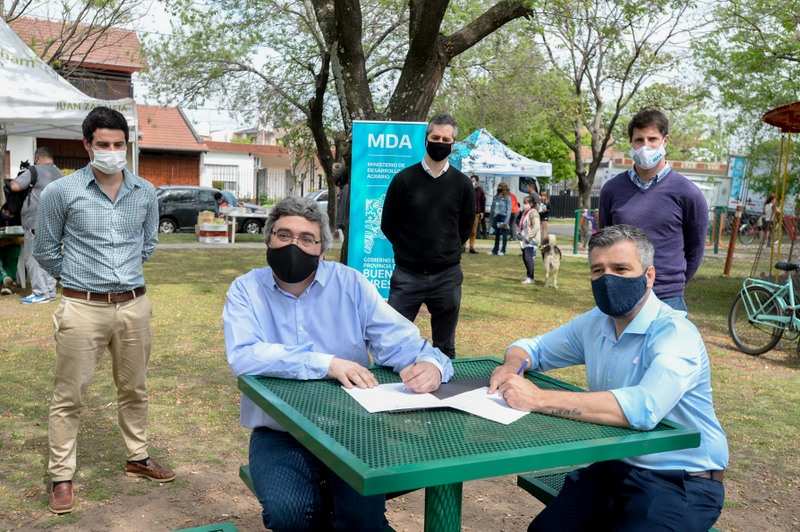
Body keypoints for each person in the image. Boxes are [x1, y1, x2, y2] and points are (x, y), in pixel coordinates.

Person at [224, 196, 454, 530]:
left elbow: (402, 343)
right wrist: (326, 363)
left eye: (307, 239)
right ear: (268, 239)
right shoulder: (246, 290)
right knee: (290, 515)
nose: (294, 245)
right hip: (280, 432)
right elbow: (244, 355)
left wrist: (430, 364)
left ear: (322, 249)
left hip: (350, 428)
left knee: (363, 520)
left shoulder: (351, 284)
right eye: (283, 235)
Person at [490, 224, 727, 532]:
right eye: (598, 271)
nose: (607, 279)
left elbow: (644, 408)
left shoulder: (674, 333)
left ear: (649, 276)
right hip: (617, 465)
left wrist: (537, 399)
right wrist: (512, 365)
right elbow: (531, 347)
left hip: (682, 479)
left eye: (621, 268)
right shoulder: (597, 323)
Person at [34, 107, 173, 515]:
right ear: (87, 145)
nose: (112, 151)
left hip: (134, 305)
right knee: (69, 395)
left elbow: (148, 244)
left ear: (126, 145)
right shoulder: (61, 192)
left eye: (118, 144)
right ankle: (61, 476)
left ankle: (138, 456)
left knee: (135, 388)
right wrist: (77, 279)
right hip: (81, 306)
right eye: (103, 145)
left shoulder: (145, 191)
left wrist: (125, 276)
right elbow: (45, 250)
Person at [381, 113, 475, 359]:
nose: (440, 142)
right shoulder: (403, 180)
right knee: (392, 343)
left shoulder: (463, 185)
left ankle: (443, 393)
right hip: (407, 276)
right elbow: (388, 224)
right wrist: (409, 252)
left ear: (453, 144)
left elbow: (465, 227)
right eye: (436, 137)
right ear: (426, 139)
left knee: (444, 348)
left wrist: (446, 251)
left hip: (447, 277)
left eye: (446, 139)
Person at [599, 108, 708, 312]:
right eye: (639, 140)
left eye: (652, 139)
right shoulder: (611, 190)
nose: (645, 146)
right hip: (621, 294)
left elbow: (696, 249)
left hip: (668, 299)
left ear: (664, 141)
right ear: (631, 142)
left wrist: (672, 283)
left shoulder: (688, 193)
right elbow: (605, 243)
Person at [9, 147, 63, 304]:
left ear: (38, 158)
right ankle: (50, 292)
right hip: (56, 223)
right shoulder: (59, 173)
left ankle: (40, 292)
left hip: (36, 222)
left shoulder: (34, 170)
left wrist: (14, 180)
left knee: (33, 258)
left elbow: (15, 186)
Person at [518, 195, 541, 284]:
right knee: (525, 257)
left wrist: (529, 237)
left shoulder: (533, 213)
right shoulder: (525, 212)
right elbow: (522, 224)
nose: (524, 205)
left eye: (526, 203)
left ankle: (530, 277)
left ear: (531, 204)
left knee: (528, 258)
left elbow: (536, 227)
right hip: (524, 239)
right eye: (524, 203)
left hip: (532, 240)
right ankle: (529, 276)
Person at [490, 182, 512, 256]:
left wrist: (506, 221)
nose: (499, 188)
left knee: (504, 235)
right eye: (498, 186)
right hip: (497, 216)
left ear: (504, 188)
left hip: (504, 217)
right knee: (497, 234)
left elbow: (509, 210)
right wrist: (492, 218)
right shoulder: (496, 196)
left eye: (500, 187)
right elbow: (493, 207)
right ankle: (495, 250)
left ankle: (503, 250)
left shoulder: (507, 197)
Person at [468, 175, 486, 254]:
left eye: (474, 180)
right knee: (465, 229)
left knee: (473, 231)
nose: (473, 182)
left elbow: (483, 201)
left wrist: (482, 211)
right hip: (467, 212)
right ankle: (462, 247)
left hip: (476, 213)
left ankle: (471, 247)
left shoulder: (480, 190)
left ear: (477, 182)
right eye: (471, 180)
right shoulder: (467, 189)